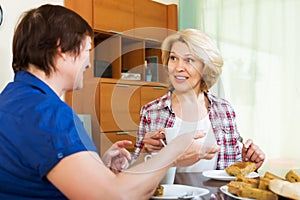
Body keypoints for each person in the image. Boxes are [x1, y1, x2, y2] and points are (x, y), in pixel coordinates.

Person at [0, 5, 221, 199]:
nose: (88, 64)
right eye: (87, 50)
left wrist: (98, 167)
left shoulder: (13, 100)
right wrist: (174, 151)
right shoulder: (47, 114)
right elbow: (117, 196)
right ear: (62, 51)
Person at [135, 29, 265, 173]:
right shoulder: (151, 111)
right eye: (173, 58)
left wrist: (248, 162)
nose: (178, 67)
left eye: (189, 60)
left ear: (205, 67)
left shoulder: (224, 109)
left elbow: (233, 164)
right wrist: (144, 152)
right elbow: (133, 174)